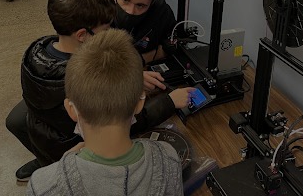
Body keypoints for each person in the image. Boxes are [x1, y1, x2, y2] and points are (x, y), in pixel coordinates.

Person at [26, 29, 184, 196]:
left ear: (71, 109)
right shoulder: (168, 158)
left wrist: (64, 164)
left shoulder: (42, 185)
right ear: (140, 103)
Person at [6, 0, 116, 181]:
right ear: (82, 35)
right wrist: (169, 101)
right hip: (71, 144)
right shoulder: (85, 78)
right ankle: (51, 167)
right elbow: (118, 122)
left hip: (42, 130)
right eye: (106, 30)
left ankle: (44, 162)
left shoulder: (36, 49)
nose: (109, 34)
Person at [103, 0, 195, 134]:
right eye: (125, 0)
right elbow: (89, 64)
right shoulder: (97, 7)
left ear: (152, 3)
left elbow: (170, 46)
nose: (131, 11)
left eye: (141, 6)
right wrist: (132, 74)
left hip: (148, 88)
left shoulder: (161, 12)